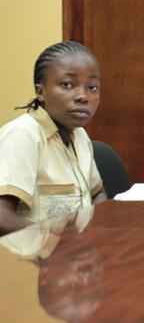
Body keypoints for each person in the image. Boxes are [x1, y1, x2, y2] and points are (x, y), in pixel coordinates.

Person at [0, 41, 106, 235]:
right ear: (40, 91)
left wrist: (98, 232)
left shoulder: (79, 135)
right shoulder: (23, 134)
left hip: (79, 250)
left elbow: (97, 193)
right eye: (67, 84)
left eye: (92, 87)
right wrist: (60, 240)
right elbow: (2, 218)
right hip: (34, 253)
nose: (83, 96)